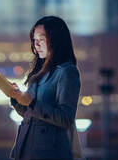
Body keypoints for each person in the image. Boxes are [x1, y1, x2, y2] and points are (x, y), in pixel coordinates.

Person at [8, 16, 82, 160]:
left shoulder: (66, 72)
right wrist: (16, 99)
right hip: (25, 150)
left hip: (49, 152)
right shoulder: (39, 72)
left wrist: (31, 102)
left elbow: (65, 118)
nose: (36, 45)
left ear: (56, 40)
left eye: (41, 39)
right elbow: (31, 115)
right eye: (34, 40)